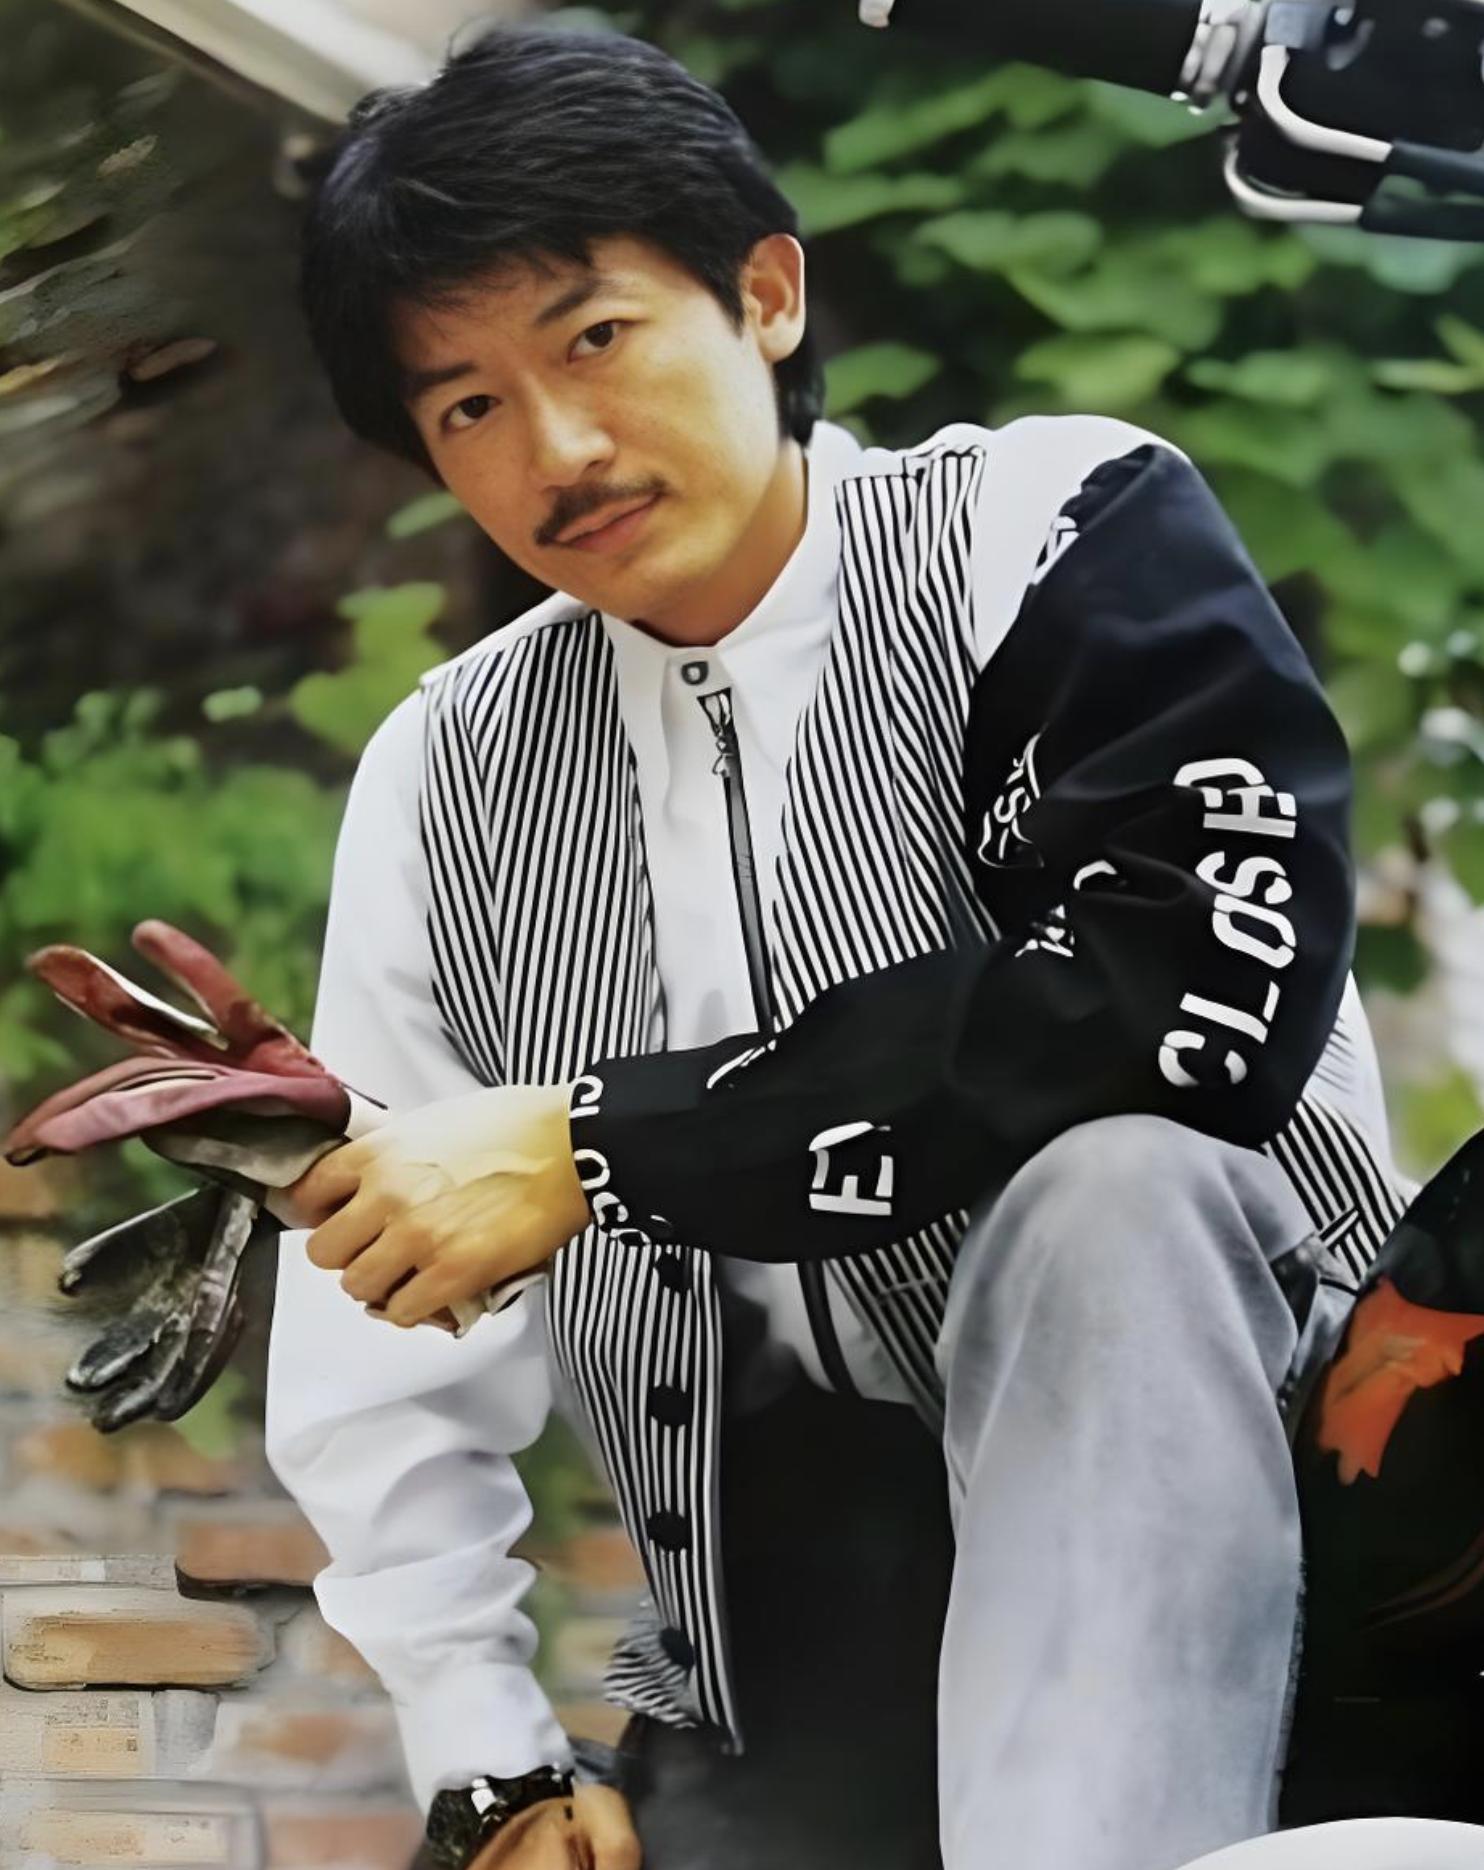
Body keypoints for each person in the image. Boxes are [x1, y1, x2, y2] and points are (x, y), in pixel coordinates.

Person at [262, 21, 1409, 1870]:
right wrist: (487, 1756)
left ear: (767, 296)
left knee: (1118, 1183)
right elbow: (374, 1309)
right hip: (802, 1632)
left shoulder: (1048, 530)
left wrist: (604, 1144)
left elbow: (1182, 996)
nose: (558, 447)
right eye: (466, 405)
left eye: (594, 337)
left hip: (1289, 1508)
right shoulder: (444, 772)